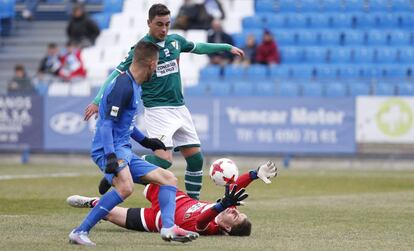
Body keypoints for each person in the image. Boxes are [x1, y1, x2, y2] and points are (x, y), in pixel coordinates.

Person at [84, 4, 244, 200]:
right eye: (159, 24)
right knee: (164, 160)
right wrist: (97, 99)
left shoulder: (175, 41)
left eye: (167, 24)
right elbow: (116, 74)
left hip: (180, 108)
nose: (164, 29)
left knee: (195, 160)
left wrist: (226, 47)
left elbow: (198, 47)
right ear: (149, 23)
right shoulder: (141, 49)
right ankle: (119, 170)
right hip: (158, 110)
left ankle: (193, 205)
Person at [69, 41, 199, 246]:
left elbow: (126, 124)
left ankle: (168, 228)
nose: (156, 69)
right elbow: (106, 126)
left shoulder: (134, 85)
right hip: (108, 147)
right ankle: (79, 231)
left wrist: (146, 141)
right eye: (156, 64)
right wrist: (110, 156)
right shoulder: (122, 87)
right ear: (149, 63)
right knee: (125, 187)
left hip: (123, 149)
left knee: (168, 179)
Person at [67, 161, 277, 236]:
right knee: (152, 173)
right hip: (173, 196)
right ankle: (114, 176)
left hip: (156, 220)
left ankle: (92, 202)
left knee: (110, 214)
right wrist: (254, 174)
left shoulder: (212, 227)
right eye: (238, 211)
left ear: (228, 228)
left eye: (236, 217)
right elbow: (234, 188)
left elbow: (200, 221)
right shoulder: (223, 208)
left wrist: (222, 204)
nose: (234, 210)